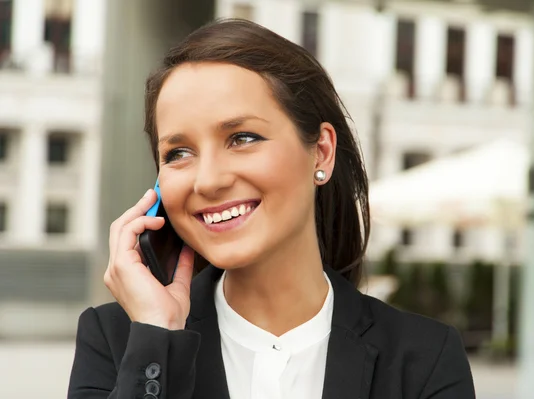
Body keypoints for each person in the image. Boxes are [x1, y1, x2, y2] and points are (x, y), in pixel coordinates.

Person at [67, 18, 475, 399]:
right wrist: (157, 340)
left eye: (242, 137)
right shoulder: (118, 340)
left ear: (322, 152)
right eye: (179, 152)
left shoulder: (425, 358)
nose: (208, 181)